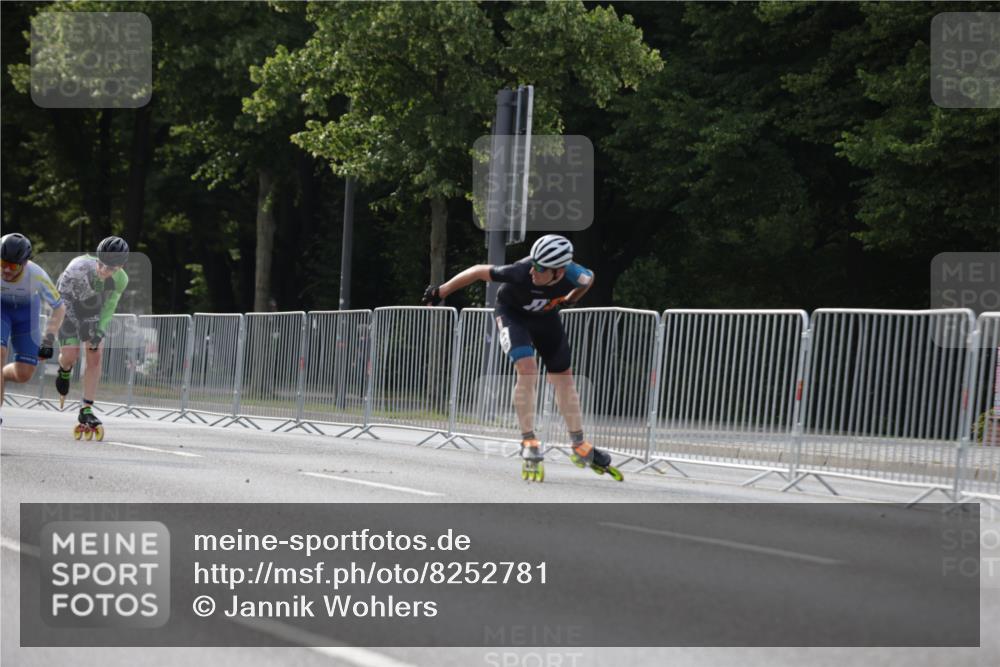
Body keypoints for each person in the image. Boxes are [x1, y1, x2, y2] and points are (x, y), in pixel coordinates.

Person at [422, 234, 621, 482]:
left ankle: (579, 445)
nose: (533, 271)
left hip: (546, 319)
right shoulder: (520, 271)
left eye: (540, 268)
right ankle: (529, 440)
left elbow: (588, 280)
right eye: (534, 263)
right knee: (528, 369)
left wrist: (570, 300)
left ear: (559, 272)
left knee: (564, 379)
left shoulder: (575, 275)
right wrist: (439, 292)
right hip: (512, 315)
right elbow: (476, 271)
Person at [54, 236, 130, 433]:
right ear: (97, 258)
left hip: (92, 310)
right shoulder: (78, 267)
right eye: (102, 265)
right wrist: (78, 325)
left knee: (95, 355)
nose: (105, 271)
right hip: (67, 305)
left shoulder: (121, 279)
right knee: (71, 356)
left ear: (121, 267)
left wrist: (100, 331)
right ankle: (63, 368)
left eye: (111, 269)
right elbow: (62, 299)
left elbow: (109, 306)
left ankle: (86, 408)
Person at [1, 233, 66, 415]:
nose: (6, 270)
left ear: (24, 263)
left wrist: (48, 340)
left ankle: (2, 375)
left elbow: (59, 308)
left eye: (12, 266)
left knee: (24, 374)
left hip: (26, 314)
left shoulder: (37, 275)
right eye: (2, 264)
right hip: (1, 310)